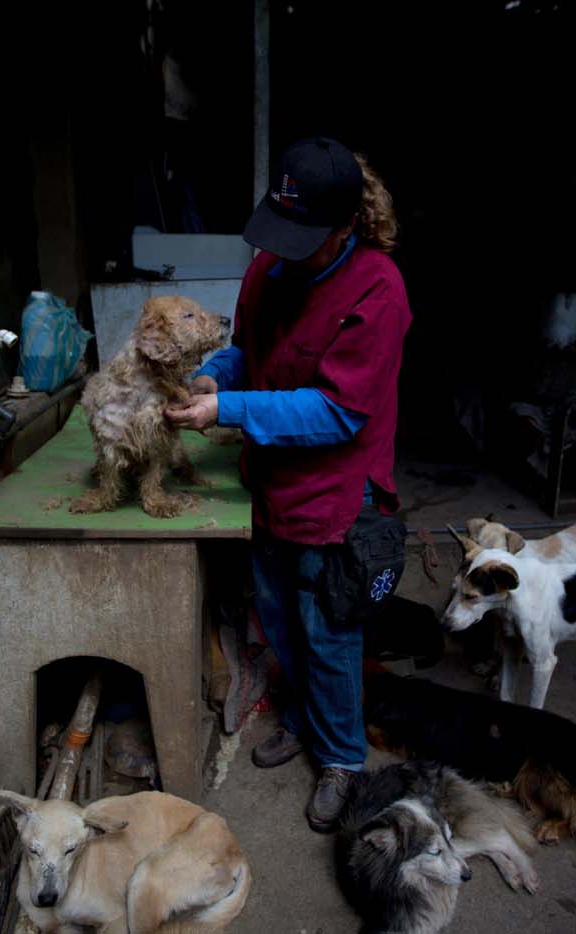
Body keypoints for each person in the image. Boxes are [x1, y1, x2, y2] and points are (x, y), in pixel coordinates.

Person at [165, 137, 411, 831]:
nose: (284, 249)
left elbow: (339, 410)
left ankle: (342, 758)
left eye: (305, 237)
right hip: (269, 481)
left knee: (327, 629)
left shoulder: (378, 290)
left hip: (336, 492)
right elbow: (250, 348)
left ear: (345, 228)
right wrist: (220, 375)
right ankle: (304, 721)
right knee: (277, 618)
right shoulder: (270, 269)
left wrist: (227, 411)